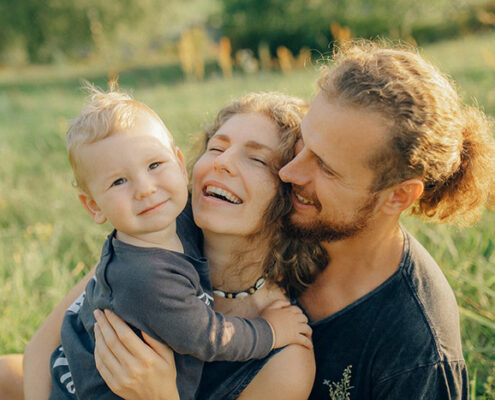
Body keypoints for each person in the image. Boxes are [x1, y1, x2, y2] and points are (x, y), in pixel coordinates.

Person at [46, 41, 495, 399]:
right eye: (301, 147)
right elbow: (43, 355)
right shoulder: (181, 228)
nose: (291, 173)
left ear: (397, 196)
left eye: (326, 166)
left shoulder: (415, 352)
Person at [0, 91, 324, 400]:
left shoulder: (285, 356)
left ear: (290, 196)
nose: (222, 162)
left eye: (256, 159)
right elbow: (42, 348)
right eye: (216, 148)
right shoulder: (148, 245)